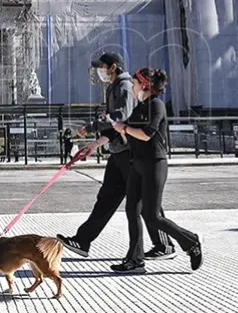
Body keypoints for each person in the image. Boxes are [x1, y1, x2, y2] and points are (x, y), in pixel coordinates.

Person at [56, 53, 175, 259]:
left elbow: (121, 118)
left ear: (113, 67)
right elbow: (115, 127)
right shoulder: (114, 87)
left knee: (146, 201)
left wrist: (93, 127)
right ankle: (83, 240)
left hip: (130, 153)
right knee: (106, 198)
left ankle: (164, 245)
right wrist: (95, 144)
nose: (98, 70)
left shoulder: (124, 87)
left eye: (101, 66)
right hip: (118, 151)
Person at [109, 68, 203, 273]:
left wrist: (124, 128)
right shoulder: (140, 107)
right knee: (132, 210)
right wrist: (119, 130)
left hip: (154, 165)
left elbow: (146, 134)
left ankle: (191, 241)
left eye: (135, 83)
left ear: (144, 85)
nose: (132, 87)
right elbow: (131, 134)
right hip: (137, 164)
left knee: (152, 216)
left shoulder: (156, 105)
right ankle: (135, 260)